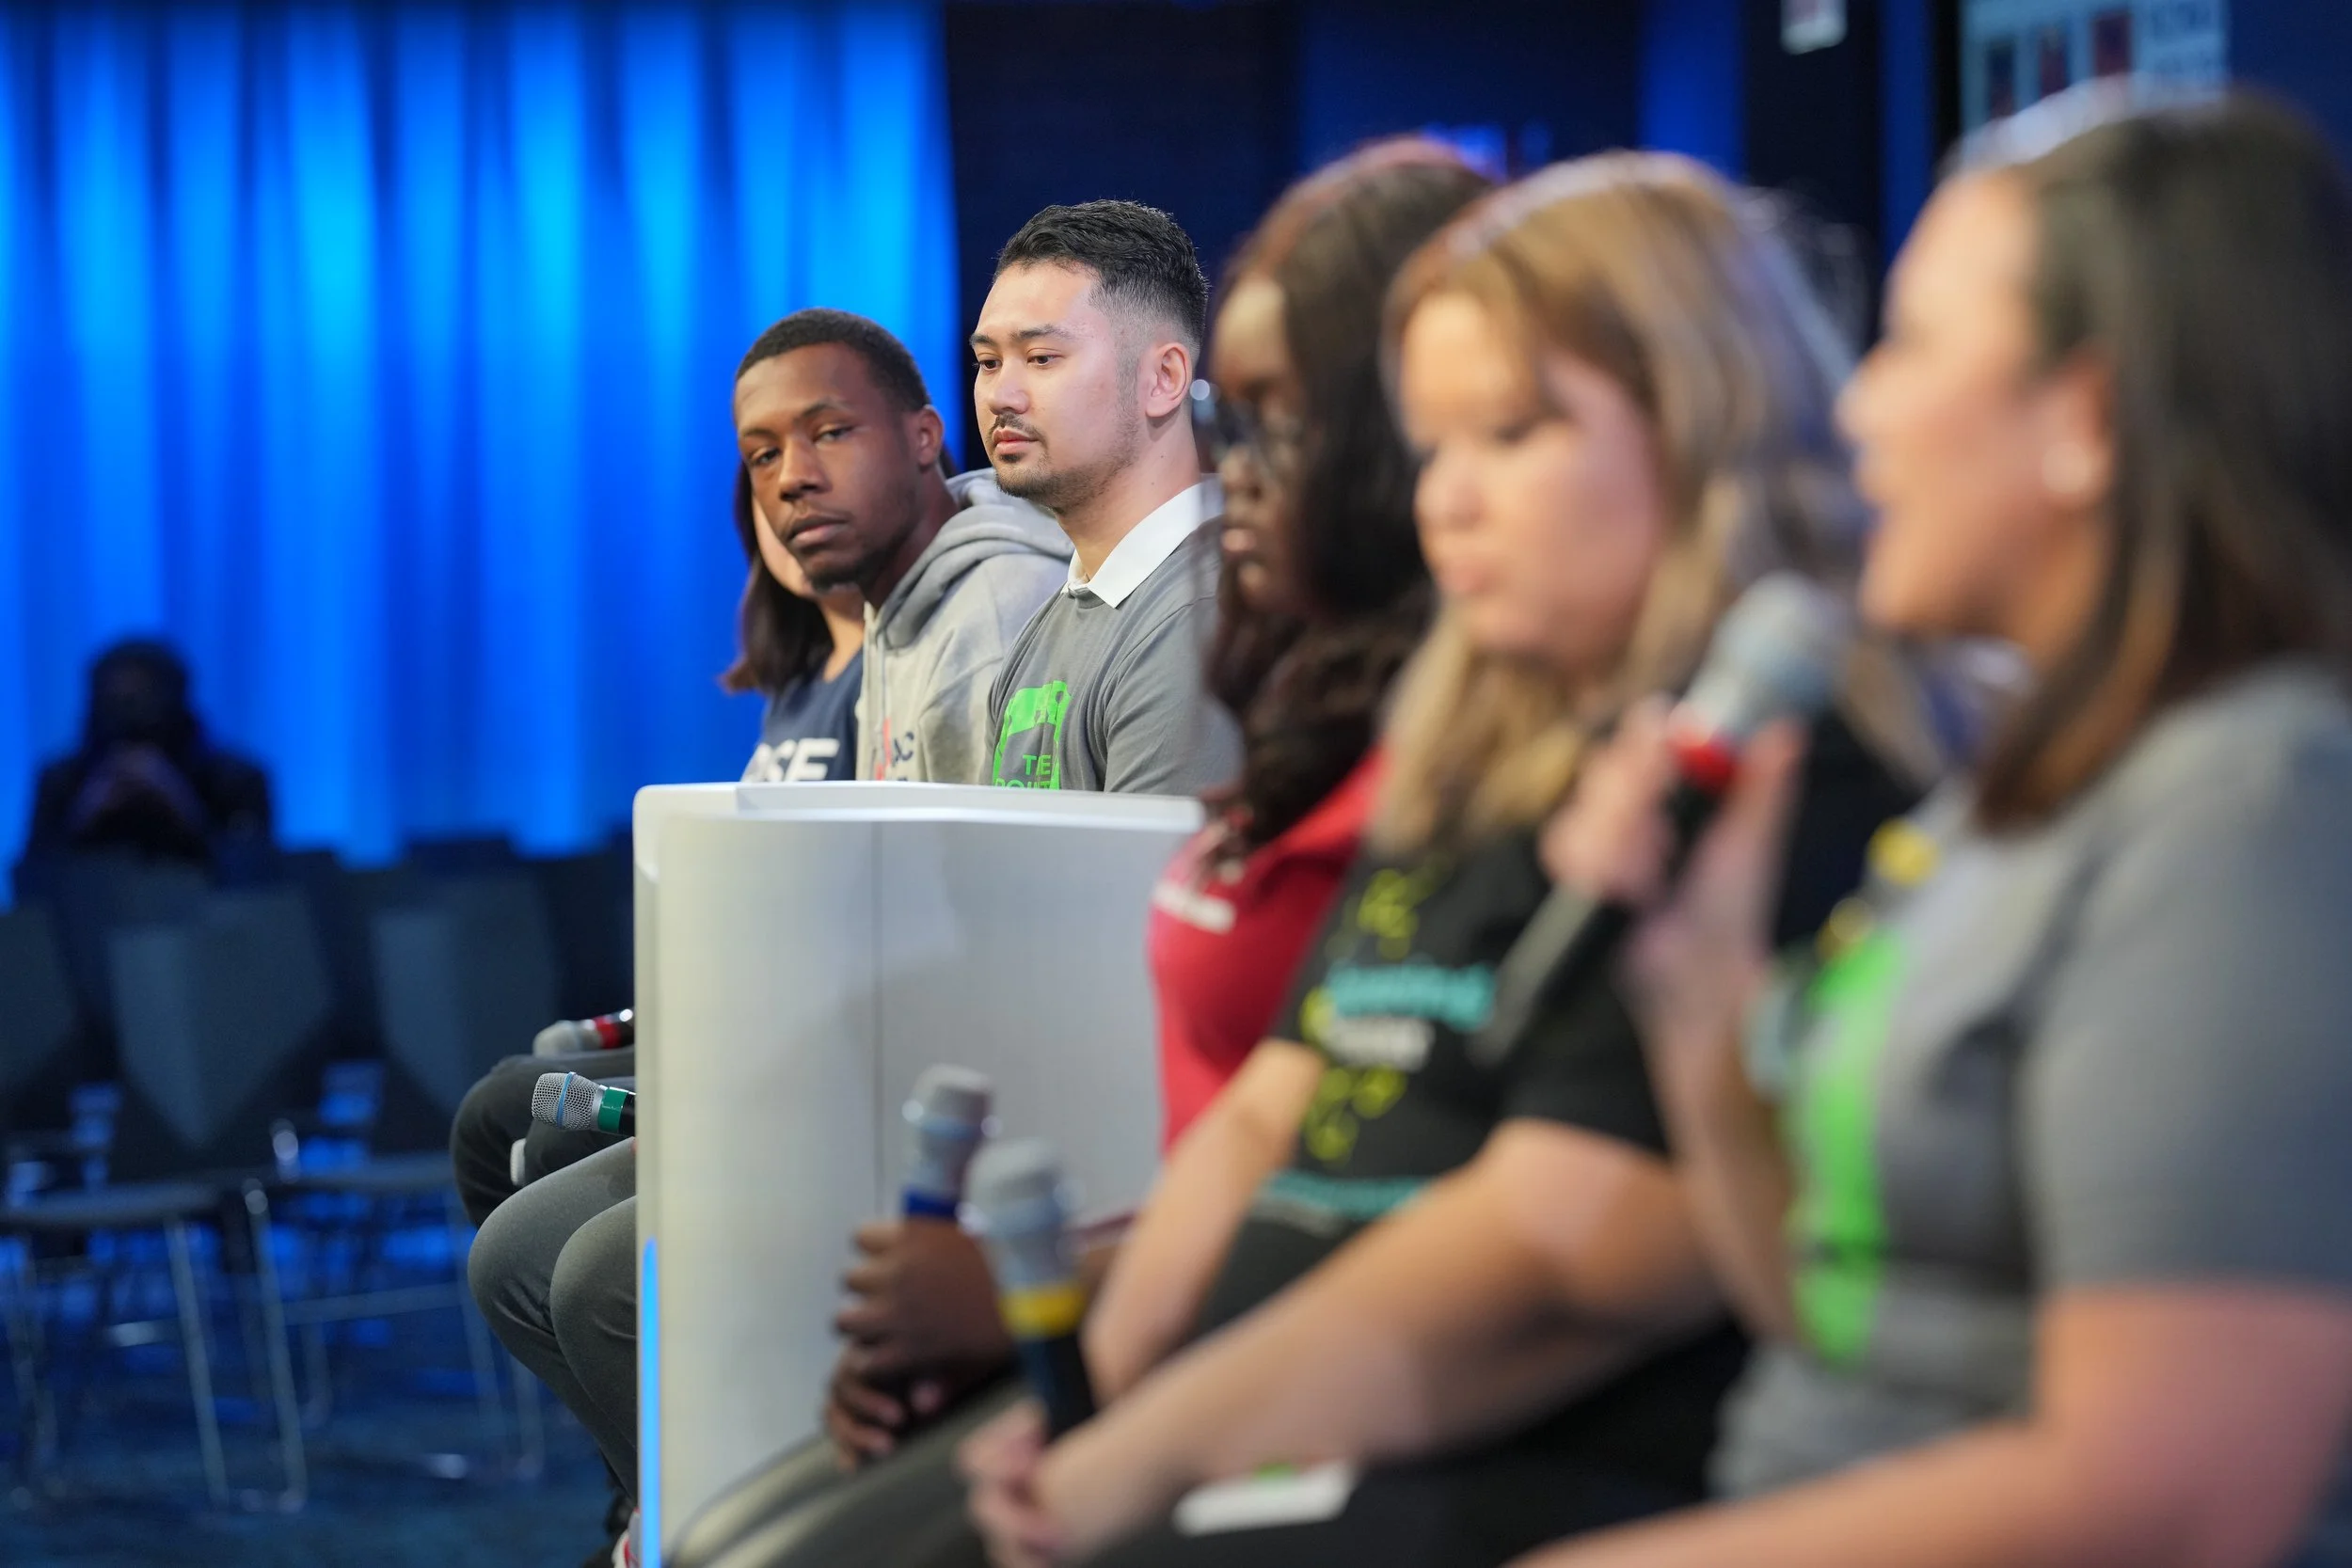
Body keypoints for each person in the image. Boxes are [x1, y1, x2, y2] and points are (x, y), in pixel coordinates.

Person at [959, 153, 1950, 1568]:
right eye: (1434, 450)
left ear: (1698, 421)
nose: (1451, 503)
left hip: (1519, 1473)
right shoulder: (1470, 730)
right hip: (1255, 1431)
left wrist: (1144, 1451)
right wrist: (1095, 1390)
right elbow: (1274, 1104)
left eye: (1514, 433)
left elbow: (1567, 1255)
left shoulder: (1785, 762)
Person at [1516, 87, 2352, 1568]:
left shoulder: (2250, 812)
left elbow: (2180, 1492)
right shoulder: (2017, 784)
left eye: (1910, 346)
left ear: (2085, 420)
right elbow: (1836, 1315)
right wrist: (1697, 985)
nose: (1858, 410)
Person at [664, 141, 1492, 1568]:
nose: (1246, 467)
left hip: (1194, 1267)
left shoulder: (1224, 630)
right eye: (988, 358)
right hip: (1116, 1231)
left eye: (1286, 419)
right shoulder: (1075, 615)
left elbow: (1184, 1037)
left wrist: (1054, 1322)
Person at [460, 452, 875, 1568]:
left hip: (807, 1034)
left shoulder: (896, 668)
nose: (791, 495)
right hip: (736, 1003)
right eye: (762, 471)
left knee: (539, 1150)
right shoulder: (792, 682)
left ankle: (663, 1500)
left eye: (818, 450)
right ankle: (639, 1480)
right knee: (504, 1115)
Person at [732, 309, 1072, 784]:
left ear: (924, 437)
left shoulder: (994, 618)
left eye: (831, 433)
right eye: (765, 455)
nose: (791, 478)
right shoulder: (895, 612)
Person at [977, 200, 1242, 796]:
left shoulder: (1202, 615)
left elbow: (1160, 862)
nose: (1001, 395)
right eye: (988, 362)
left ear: (1164, 379)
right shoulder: (1055, 621)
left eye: (1041, 358)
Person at [18, 639, 271, 881]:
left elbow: (257, 880)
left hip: (204, 910)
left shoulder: (236, 779)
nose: (128, 720)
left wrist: (184, 809)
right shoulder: (62, 781)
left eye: (140, 701)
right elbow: (32, 884)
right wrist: (80, 818)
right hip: (92, 908)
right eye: (113, 702)